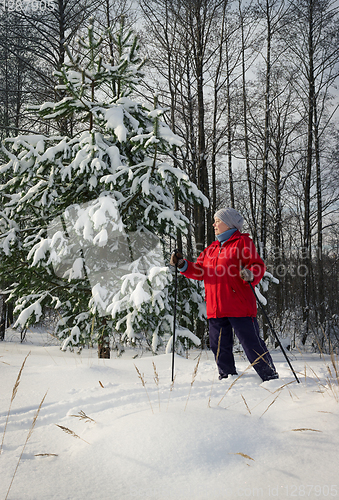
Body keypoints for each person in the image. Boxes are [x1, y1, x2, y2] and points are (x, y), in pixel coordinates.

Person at [170, 207, 278, 382]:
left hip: (239, 305)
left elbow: (257, 265)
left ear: (229, 224)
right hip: (216, 307)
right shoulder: (211, 248)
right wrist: (182, 264)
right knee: (219, 347)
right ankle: (227, 378)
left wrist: (251, 274)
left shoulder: (242, 243)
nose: (214, 224)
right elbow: (199, 270)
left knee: (251, 345)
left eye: (218, 221)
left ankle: (270, 376)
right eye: (214, 221)